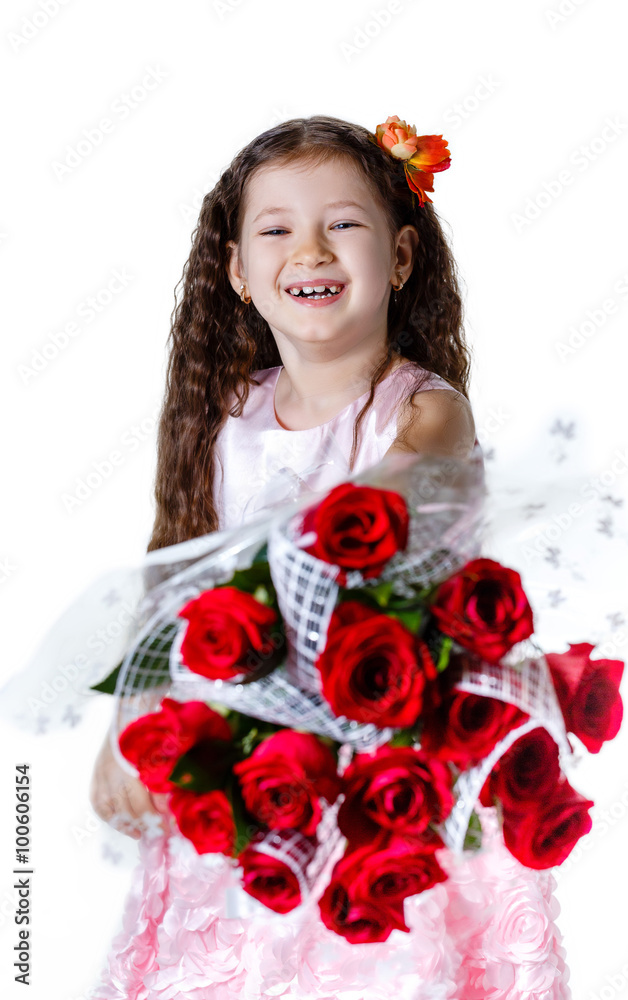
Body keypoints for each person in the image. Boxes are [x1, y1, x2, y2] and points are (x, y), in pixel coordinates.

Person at [89, 115, 570, 999]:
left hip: (381, 773)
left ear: (399, 259)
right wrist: (134, 717)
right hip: (245, 768)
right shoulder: (224, 417)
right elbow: (174, 570)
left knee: (372, 965)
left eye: (342, 224)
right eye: (275, 229)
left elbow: (362, 529)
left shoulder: (423, 414)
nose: (308, 248)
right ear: (237, 271)